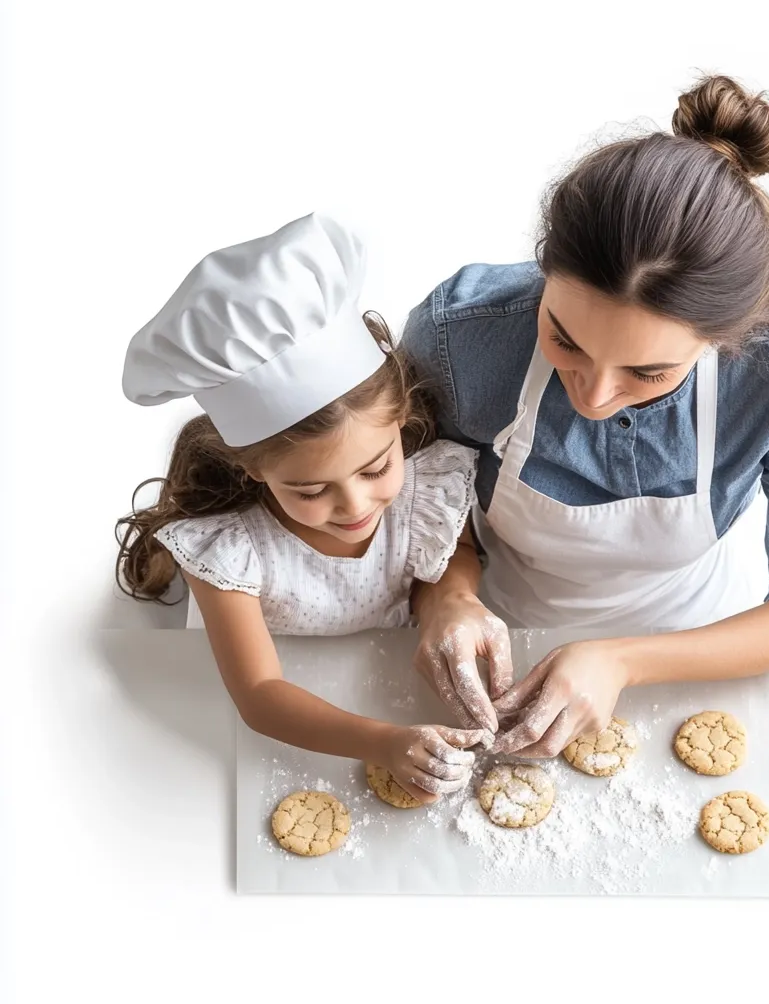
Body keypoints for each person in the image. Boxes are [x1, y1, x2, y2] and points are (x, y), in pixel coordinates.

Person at [401, 74, 769, 759]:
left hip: (700, 651)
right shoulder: (460, 335)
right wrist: (447, 600)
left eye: (647, 373)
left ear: (727, 337)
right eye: (564, 338)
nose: (593, 396)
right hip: (490, 640)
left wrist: (624, 661)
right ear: (544, 266)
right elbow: (419, 508)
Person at [117, 212, 492, 802]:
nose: (356, 503)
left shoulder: (426, 490)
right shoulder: (231, 553)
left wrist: (455, 602)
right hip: (300, 701)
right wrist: (382, 742)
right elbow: (260, 693)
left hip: (385, 668)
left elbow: (450, 557)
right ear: (252, 469)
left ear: (401, 422)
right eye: (311, 491)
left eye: (375, 468)